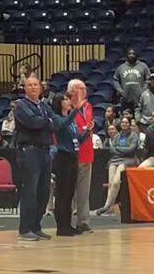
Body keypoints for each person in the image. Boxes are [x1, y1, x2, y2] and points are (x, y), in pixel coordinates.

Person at [13, 77, 55, 241]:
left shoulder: (44, 105)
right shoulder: (21, 106)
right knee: (30, 190)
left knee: (43, 191)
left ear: (40, 87)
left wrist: (46, 121)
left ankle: (36, 226)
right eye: (29, 85)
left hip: (45, 151)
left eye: (35, 85)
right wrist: (47, 121)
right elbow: (32, 122)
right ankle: (25, 228)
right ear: (25, 88)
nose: (33, 87)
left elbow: (54, 123)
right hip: (29, 151)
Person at [50, 93, 89, 236]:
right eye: (65, 99)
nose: (68, 101)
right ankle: (61, 226)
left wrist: (87, 132)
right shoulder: (57, 119)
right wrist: (75, 111)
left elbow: (78, 139)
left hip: (73, 156)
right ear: (59, 103)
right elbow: (62, 125)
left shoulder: (71, 122)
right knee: (62, 193)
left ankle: (68, 224)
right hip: (63, 157)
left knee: (70, 192)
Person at [95, 117, 139, 215]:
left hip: (128, 160)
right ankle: (108, 206)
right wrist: (122, 149)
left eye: (126, 122)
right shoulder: (117, 136)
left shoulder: (134, 136)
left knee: (116, 183)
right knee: (110, 184)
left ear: (129, 124)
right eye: (122, 122)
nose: (124, 124)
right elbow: (111, 149)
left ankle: (107, 206)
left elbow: (131, 150)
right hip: (115, 160)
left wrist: (118, 149)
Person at [69, 79, 94, 234]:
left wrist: (86, 128)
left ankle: (83, 221)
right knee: (69, 190)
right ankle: (67, 222)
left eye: (85, 88)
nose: (84, 90)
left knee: (84, 191)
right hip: (72, 154)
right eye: (80, 88)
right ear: (72, 91)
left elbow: (88, 125)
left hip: (87, 153)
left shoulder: (88, 106)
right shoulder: (68, 107)